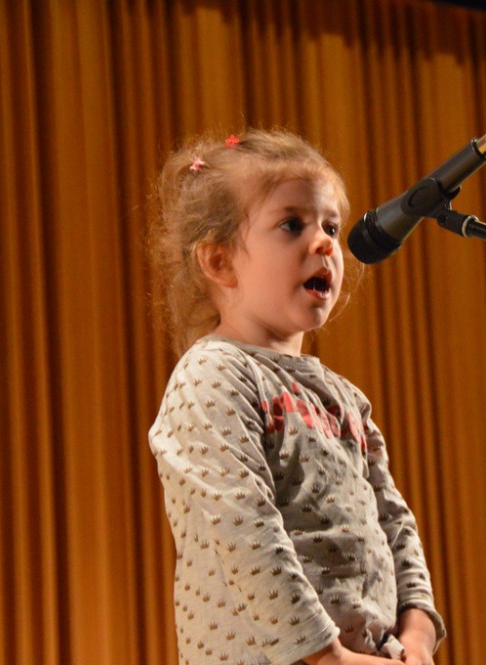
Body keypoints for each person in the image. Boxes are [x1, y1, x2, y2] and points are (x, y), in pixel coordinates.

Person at [147, 128, 446, 665]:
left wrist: (418, 628)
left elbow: (393, 521)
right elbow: (246, 532)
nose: (326, 243)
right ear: (219, 261)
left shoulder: (343, 398)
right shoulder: (213, 374)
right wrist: (326, 655)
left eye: (330, 225)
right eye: (292, 225)